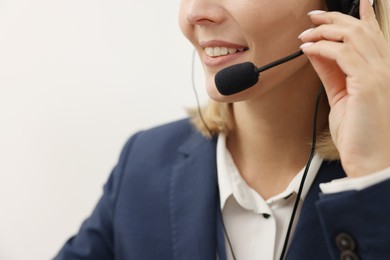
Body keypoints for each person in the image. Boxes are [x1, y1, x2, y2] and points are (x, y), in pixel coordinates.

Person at [55, 0, 390, 259]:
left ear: (340, 6)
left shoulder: (380, 178)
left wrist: (373, 180)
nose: (195, 13)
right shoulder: (143, 165)